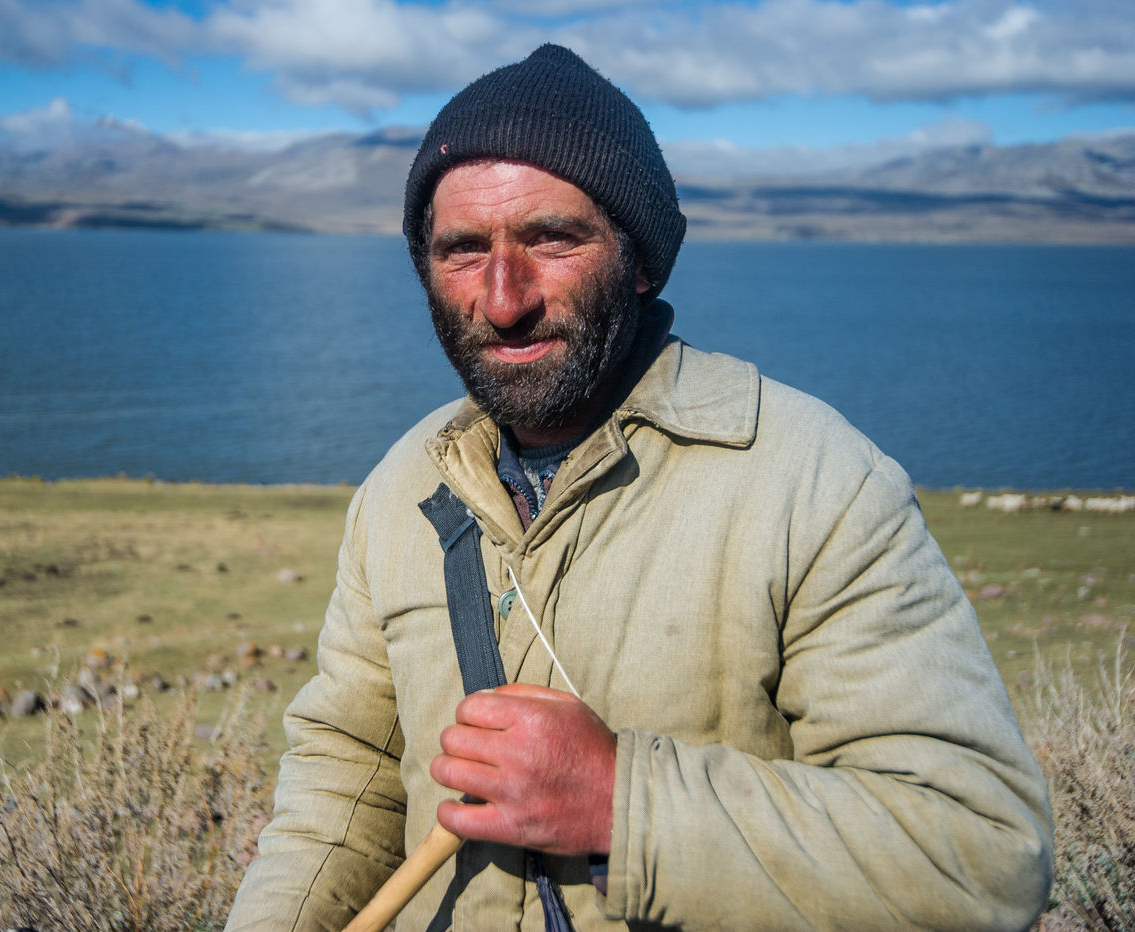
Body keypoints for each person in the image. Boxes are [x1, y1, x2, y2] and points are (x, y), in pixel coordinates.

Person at [225, 44, 1052, 931]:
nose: (503, 300)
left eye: (551, 238)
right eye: (462, 250)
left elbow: (982, 857)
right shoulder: (401, 492)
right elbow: (343, 781)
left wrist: (624, 803)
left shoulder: (812, 480)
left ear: (643, 256)